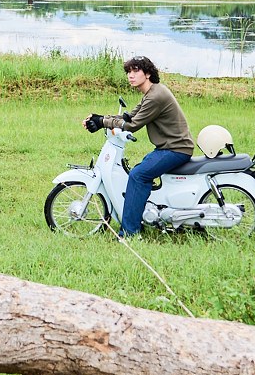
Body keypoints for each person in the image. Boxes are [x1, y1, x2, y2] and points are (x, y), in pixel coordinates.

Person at [83, 55, 195, 241]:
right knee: (139, 171)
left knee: (138, 175)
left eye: (136, 71)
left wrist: (103, 122)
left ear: (148, 73)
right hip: (169, 147)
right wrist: (100, 117)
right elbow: (129, 116)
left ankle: (129, 233)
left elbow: (133, 124)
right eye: (128, 71)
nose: (130, 75)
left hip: (175, 149)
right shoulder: (151, 93)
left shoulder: (156, 96)